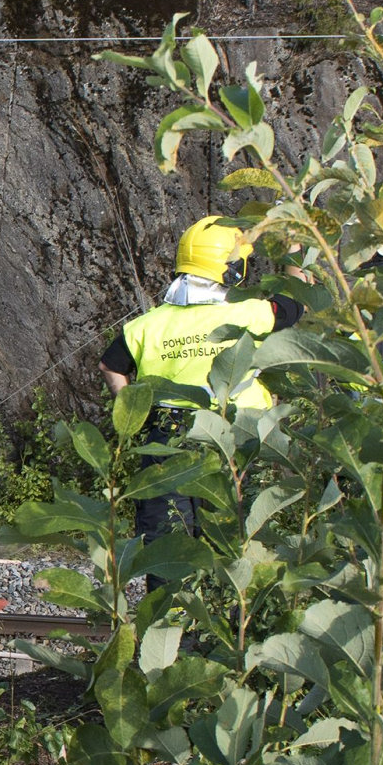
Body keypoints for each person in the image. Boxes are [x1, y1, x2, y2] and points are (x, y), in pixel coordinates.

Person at [104, 217, 294, 544]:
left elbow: (110, 365)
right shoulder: (251, 312)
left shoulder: (148, 324)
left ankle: (169, 595)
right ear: (233, 268)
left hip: (167, 435)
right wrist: (293, 249)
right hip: (236, 435)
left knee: (165, 539)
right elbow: (293, 304)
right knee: (236, 535)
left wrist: (131, 417)